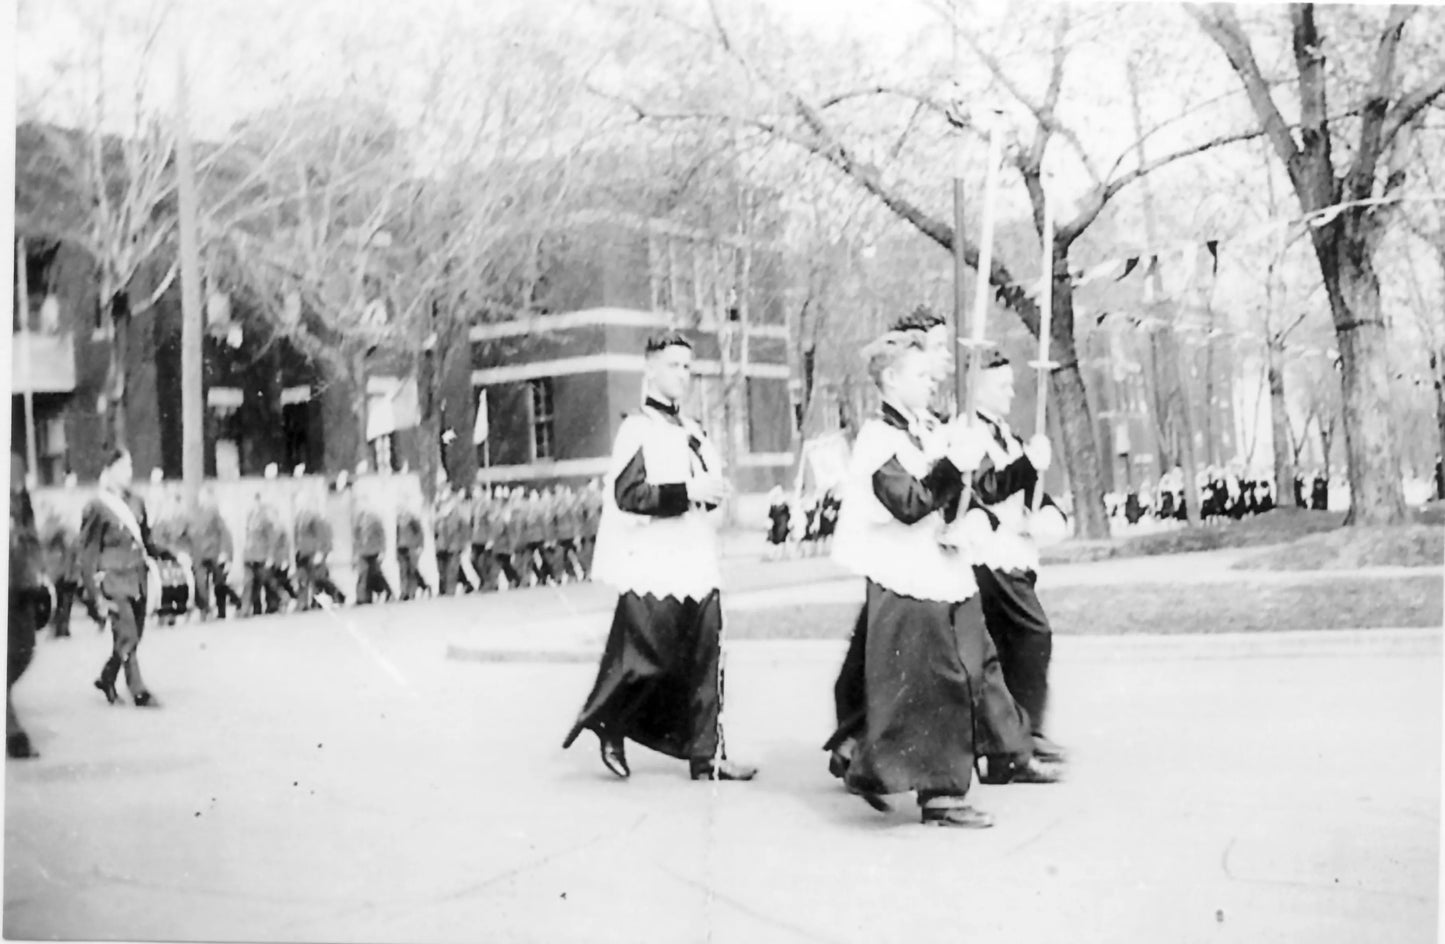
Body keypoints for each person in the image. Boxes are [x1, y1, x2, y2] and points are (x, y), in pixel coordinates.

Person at [826, 332, 1035, 826]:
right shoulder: (879, 439)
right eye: (920, 375)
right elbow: (909, 503)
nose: (931, 383)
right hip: (908, 574)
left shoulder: (929, 429)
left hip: (947, 567)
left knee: (974, 663)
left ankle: (867, 753)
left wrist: (989, 501)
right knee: (937, 679)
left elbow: (972, 489)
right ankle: (940, 792)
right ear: (891, 380)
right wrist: (950, 467)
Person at [562, 331, 756, 782]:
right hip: (654, 560)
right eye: (673, 366)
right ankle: (611, 722)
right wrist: (687, 491)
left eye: (688, 368)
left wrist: (709, 494)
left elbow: (705, 491)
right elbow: (629, 495)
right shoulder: (638, 429)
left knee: (708, 653)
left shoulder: (693, 432)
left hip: (695, 557)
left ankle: (708, 753)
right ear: (649, 370)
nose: (683, 377)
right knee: (644, 658)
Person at [960, 351, 1072, 780]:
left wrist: (1047, 513)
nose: (1011, 391)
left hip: (1013, 554)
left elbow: (1028, 491)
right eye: (1000, 383)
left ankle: (1019, 736)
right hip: (988, 558)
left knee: (1007, 650)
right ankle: (1021, 737)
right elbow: (985, 489)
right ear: (975, 384)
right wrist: (1026, 466)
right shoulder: (968, 432)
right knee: (1032, 635)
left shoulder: (1008, 435)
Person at [77, 448, 164, 708]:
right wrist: (92, 593)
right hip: (112, 580)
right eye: (124, 467)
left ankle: (107, 677)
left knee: (134, 634)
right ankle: (138, 690)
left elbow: (147, 540)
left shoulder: (137, 501)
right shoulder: (97, 506)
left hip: (137, 577)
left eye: (130, 466)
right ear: (111, 470)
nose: (129, 472)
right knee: (127, 632)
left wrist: (169, 554)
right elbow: (88, 551)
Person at [9, 455, 46, 757]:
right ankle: (12, 733)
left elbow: (29, 522)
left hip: (20, 579)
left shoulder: (14, 462)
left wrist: (36, 568)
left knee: (25, 649)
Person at [191, 489, 242, 620]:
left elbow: (224, 533)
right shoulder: (196, 514)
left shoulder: (214, 513)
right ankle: (205, 610)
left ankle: (224, 608)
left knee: (220, 584)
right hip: (200, 555)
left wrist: (225, 553)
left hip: (214, 553)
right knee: (201, 584)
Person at [295, 494, 346, 609]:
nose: (299, 504)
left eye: (301, 502)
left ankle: (338, 595)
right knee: (302, 578)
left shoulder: (314, 518)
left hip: (312, 551)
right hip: (302, 553)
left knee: (319, 578)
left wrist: (320, 552)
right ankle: (303, 603)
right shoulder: (298, 517)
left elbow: (320, 535)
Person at [352, 502, 393, 605]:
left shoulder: (375, 522)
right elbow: (357, 539)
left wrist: (383, 550)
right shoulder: (359, 524)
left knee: (371, 575)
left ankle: (371, 595)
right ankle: (365, 597)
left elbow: (382, 537)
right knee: (367, 575)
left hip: (372, 551)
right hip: (364, 551)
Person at [396, 504, 429, 600]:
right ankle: (404, 591)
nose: (400, 511)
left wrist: (420, 546)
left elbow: (420, 533)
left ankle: (412, 591)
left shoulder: (412, 520)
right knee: (403, 571)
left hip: (412, 547)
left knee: (412, 570)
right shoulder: (398, 521)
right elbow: (397, 536)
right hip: (401, 548)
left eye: (402, 509)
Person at [765, 485, 790, 560]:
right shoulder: (773, 506)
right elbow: (770, 516)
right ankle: (774, 555)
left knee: (781, 541)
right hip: (776, 526)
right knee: (776, 541)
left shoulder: (784, 505)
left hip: (782, 526)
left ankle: (781, 555)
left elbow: (788, 515)